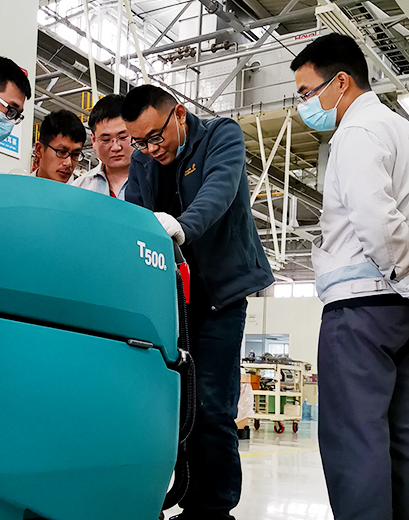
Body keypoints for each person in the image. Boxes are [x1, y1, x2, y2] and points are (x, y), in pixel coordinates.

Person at [290, 33, 409, 520]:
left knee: (354, 440)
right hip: (403, 313)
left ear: (340, 82)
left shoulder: (356, 132)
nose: (302, 104)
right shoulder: (406, 135)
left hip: (360, 308)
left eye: (306, 92)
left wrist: (408, 277)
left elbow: (375, 218)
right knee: (405, 436)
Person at [121, 84, 273, 519]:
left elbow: (218, 193)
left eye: (156, 137)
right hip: (173, 303)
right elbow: (134, 217)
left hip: (221, 296)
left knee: (211, 404)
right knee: (176, 405)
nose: (151, 149)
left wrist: (181, 227)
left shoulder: (221, 136)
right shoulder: (143, 162)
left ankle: (215, 509)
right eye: (140, 142)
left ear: (179, 114)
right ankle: (185, 500)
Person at [72, 94, 132, 198]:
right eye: (106, 140)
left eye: (123, 137)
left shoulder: (156, 182)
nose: (116, 147)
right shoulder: (80, 189)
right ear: (94, 140)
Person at [33, 110, 86, 183]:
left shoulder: (79, 190)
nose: (69, 163)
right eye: (62, 152)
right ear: (39, 150)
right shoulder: (18, 188)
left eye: (75, 154)